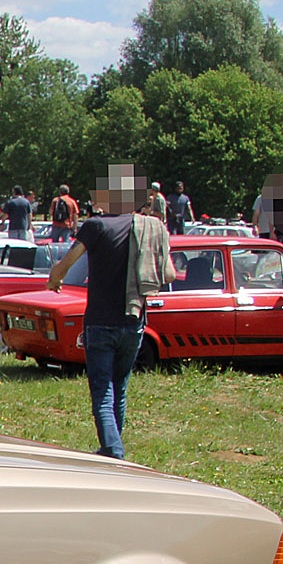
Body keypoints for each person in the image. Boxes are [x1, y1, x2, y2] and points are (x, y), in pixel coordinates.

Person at [47, 175, 178, 459]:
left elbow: (64, 265)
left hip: (100, 321)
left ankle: (113, 450)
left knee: (102, 390)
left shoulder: (95, 226)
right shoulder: (150, 226)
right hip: (134, 320)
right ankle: (112, 446)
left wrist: (54, 280)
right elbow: (168, 273)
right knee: (120, 386)